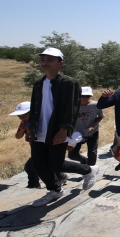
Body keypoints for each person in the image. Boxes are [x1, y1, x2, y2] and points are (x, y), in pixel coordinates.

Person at [28, 48, 98, 207]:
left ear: (61, 63)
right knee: (37, 164)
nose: (44, 63)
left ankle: (88, 170)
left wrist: (64, 129)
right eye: (43, 59)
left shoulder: (69, 83)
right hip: (39, 130)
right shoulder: (38, 83)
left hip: (56, 129)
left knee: (56, 164)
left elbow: (71, 108)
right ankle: (55, 190)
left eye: (50, 60)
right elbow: (34, 107)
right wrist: (29, 129)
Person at [68, 86, 104, 166]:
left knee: (92, 154)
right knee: (72, 155)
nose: (84, 98)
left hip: (92, 133)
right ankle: (83, 160)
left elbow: (101, 116)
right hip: (77, 133)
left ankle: (90, 173)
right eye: (82, 96)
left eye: (87, 96)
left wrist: (93, 126)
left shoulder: (95, 105)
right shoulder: (72, 106)